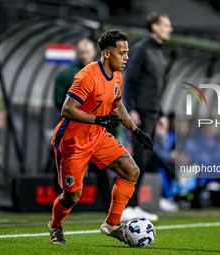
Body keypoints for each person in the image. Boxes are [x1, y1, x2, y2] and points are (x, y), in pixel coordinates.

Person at [48, 29, 153, 244]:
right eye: (122, 53)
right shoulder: (87, 76)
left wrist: (136, 131)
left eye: (127, 52)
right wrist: (99, 120)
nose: (126, 57)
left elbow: (118, 107)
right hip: (73, 142)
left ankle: (112, 224)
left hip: (98, 137)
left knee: (131, 171)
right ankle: (55, 226)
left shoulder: (116, 76)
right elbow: (67, 109)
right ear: (106, 54)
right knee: (72, 197)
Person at [122, 12, 173, 221]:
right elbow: (130, 80)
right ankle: (126, 206)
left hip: (152, 113)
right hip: (140, 113)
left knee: (145, 160)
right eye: (166, 25)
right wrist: (131, 109)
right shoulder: (142, 50)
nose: (170, 29)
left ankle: (134, 205)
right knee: (138, 160)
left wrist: (160, 113)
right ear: (154, 27)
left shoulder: (160, 53)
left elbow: (157, 87)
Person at [52, 38, 112, 211]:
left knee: (101, 167)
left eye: (87, 51)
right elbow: (58, 101)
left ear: (94, 52)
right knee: (66, 166)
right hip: (73, 129)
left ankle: (109, 207)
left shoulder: (105, 73)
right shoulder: (66, 74)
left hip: (96, 131)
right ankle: (60, 204)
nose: (84, 55)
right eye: (81, 52)